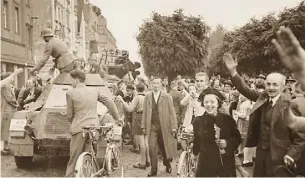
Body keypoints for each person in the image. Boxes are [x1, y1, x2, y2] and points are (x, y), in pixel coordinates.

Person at [223, 53, 305, 176]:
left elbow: (300, 137)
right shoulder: (263, 97)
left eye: (275, 85)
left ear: (283, 87)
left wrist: (291, 155)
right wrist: (234, 72)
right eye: (268, 84)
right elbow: (246, 90)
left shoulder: (290, 105)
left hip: (280, 157)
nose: (271, 88)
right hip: (261, 154)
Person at [64, 69, 121, 177]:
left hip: (79, 129)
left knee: (74, 158)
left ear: (76, 80)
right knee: (91, 155)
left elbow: (69, 116)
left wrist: (73, 121)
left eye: (71, 80)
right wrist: (117, 118)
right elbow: (109, 102)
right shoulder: (94, 91)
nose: (71, 83)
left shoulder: (70, 93)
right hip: (94, 127)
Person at [192, 88, 241, 177]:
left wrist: (227, 143)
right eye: (206, 102)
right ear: (203, 104)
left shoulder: (227, 119)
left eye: (212, 102)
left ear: (218, 103)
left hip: (225, 162)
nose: (209, 105)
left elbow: (238, 138)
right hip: (206, 164)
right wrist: (194, 154)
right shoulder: (198, 121)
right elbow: (197, 141)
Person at [141, 77, 178, 177]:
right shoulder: (148, 96)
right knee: (152, 147)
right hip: (152, 126)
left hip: (164, 126)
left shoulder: (166, 97)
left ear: (161, 85)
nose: (156, 85)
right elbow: (145, 112)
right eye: (154, 83)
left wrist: (174, 126)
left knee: (164, 147)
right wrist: (144, 126)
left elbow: (172, 112)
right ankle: (154, 170)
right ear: (151, 84)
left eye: (158, 83)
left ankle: (167, 163)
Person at [118, 83, 150, 169]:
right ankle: (148, 160)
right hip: (147, 117)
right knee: (146, 140)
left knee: (141, 141)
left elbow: (129, 109)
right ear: (144, 89)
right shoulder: (148, 97)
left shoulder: (137, 98)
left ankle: (142, 163)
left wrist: (122, 101)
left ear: (136, 89)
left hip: (139, 117)